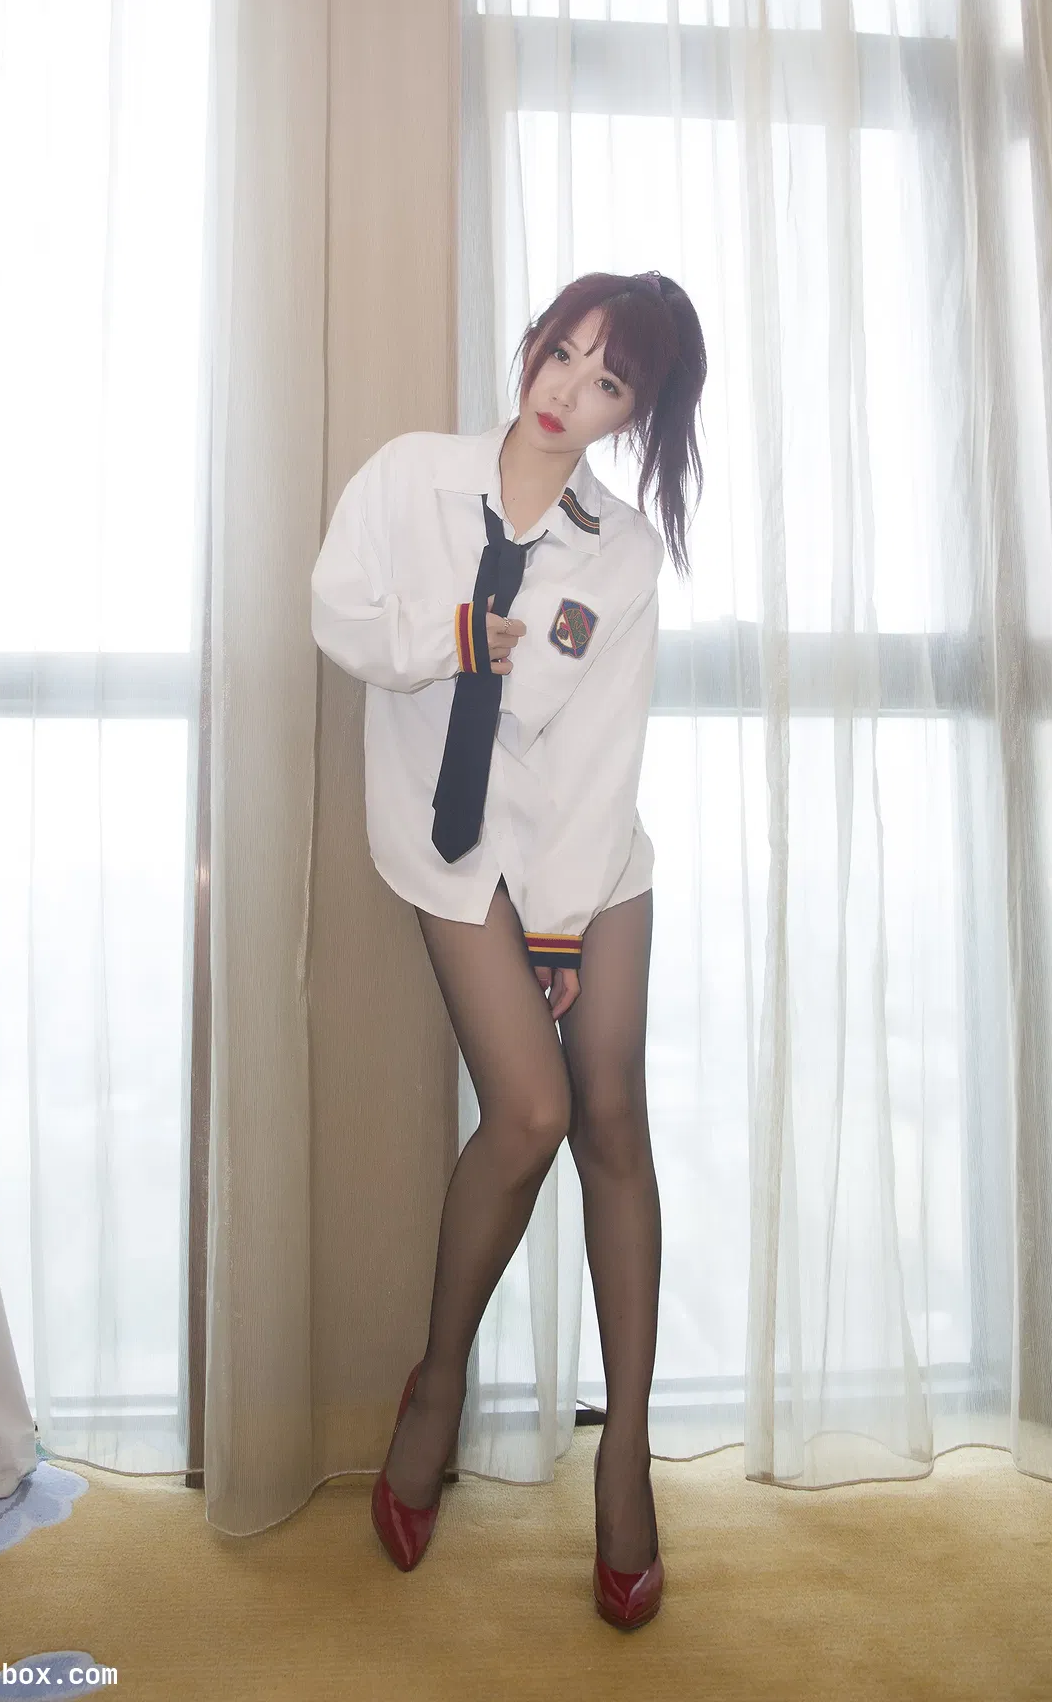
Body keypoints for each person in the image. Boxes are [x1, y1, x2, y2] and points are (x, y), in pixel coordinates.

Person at [310, 268, 707, 1630]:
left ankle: (625, 1452)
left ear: (631, 416)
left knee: (612, 1119)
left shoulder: (621, 552)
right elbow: (336, 612)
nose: (568, 390)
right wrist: (449, 637)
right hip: (450, 840)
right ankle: (438, 1383)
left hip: (586, 853)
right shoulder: (411, 478)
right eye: (565, 351)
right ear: (535, 342)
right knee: (531, 1111)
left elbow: (602, 752)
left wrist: (565, 921)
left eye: (608, 382)